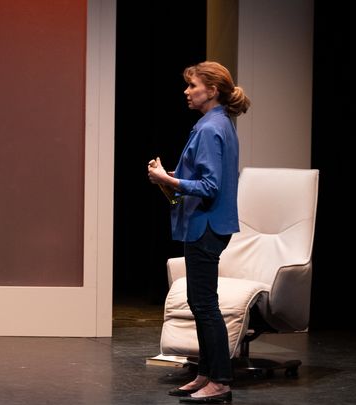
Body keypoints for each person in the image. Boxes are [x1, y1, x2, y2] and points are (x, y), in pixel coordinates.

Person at [148, 61, 250, 404]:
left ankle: (220, 380)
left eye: (193, 85)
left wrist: (167, 179)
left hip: (206, 225)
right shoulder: (216, 123)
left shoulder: (210, 128)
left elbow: (208, 185)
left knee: (205, 305)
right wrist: (173, 177)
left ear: (213, 90)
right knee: (200, 301)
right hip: (207, 223)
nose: (187, 91)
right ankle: (205, 373)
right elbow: (206, 176)